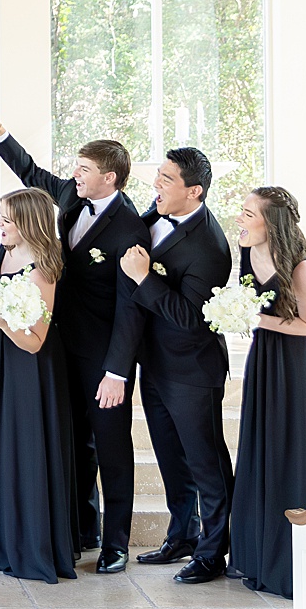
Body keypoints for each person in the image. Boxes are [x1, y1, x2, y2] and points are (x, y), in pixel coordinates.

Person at [0, 109, 147, 574]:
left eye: (84, 169)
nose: (74, 174)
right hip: (57, 346)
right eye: (76, 166)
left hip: (101, 354)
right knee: (73, 442)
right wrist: (2, 134)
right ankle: (79, 527)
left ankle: (115, 542)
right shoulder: (72, 198)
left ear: (109, 178)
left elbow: (131, 308)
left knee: (111, 446)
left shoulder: (131, 228)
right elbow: (32, 175)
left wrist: (117, 370)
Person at [120, 146, 235, 585]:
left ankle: (212, 552)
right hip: (155, 365)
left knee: (205, 462)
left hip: (192, 370)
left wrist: (144, 279)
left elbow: (191, 317)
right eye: (159, 176)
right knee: (171, 459)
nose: (157, 185)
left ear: (195, 191)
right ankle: (182, 535)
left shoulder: (210, 246)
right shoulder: (155, 216)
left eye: (167, 180)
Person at [0, 187, 78, 584]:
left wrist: (4, 321)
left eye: (7, 219)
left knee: (23, 446)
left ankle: (27, 543)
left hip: (28, 369)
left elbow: (35, 341)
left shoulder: (43, 268)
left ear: (28, 223)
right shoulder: (3, 254)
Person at [229, 186, 306, 598]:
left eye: (247, 214)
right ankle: (258, 554)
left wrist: (253, 319)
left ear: (270, 223)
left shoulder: (300, 267)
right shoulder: (246, 252)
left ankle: (292, 563)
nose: (240, 219)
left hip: (296, 369)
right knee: (262, 450)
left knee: (290, 450)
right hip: (265, 363)